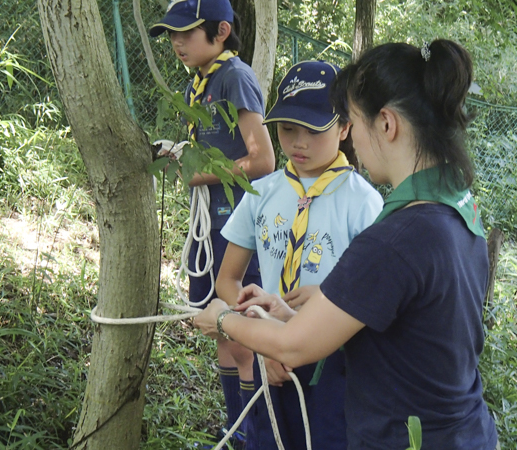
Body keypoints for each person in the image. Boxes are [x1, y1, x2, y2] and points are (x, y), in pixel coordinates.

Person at [194, 39, 500, 449]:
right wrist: (289, 313)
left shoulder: (396, 237)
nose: (352, 136)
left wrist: (221, 319)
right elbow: (401, 326)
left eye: (354, 121)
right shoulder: (459, 211)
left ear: (386, 124)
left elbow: (295, 346)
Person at [215, 60, 383, 450]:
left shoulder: (364, 204)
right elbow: (227, 280)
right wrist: (264, 340)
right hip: (269, 362)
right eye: (288, 129)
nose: (298, 142)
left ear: (345, 128)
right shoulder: (262, 193)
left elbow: (373, 305)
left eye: (314, 130)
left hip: (336, 368)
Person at [149, 1, 275, 447]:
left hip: (237, 222)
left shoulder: (235, 77)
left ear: (222, 31)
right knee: (219, 327)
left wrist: (194, 172)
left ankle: (258, 435)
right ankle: (236, 431)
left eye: (187, 32)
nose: (177, 41)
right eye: (171, 33)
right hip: (209, 221)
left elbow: (263, 159)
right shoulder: (196, 83)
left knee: (244, 334)